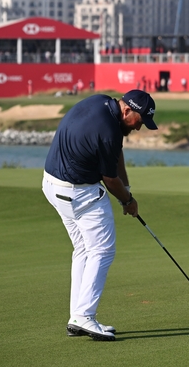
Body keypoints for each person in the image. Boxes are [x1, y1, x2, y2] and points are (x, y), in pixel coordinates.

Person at [42, 90, 158, 342]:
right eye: (139, 122)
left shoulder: (101, 102)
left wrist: (127, 189)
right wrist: (128, 201)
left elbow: (116, 153)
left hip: (51, 185)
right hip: (78, 191)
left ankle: (77, 316)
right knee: (103, 251)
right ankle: (84, 315)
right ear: (127, 111)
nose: (139, 129)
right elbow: (109, 179)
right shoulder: (109, 131)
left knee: (83, 249)